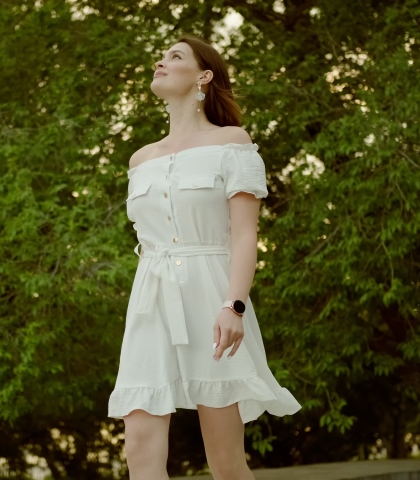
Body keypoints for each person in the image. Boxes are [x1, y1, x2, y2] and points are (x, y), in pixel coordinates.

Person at [107, 34, 302, 480]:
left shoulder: (232, 143)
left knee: (225, 457)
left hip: (212, 295)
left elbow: (245, 234)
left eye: (175, 57)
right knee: (138, 442)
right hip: (150, 298)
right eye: (161, 56)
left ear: (204, 76)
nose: (161, 61)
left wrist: (234, 304)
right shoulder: (141, 159)